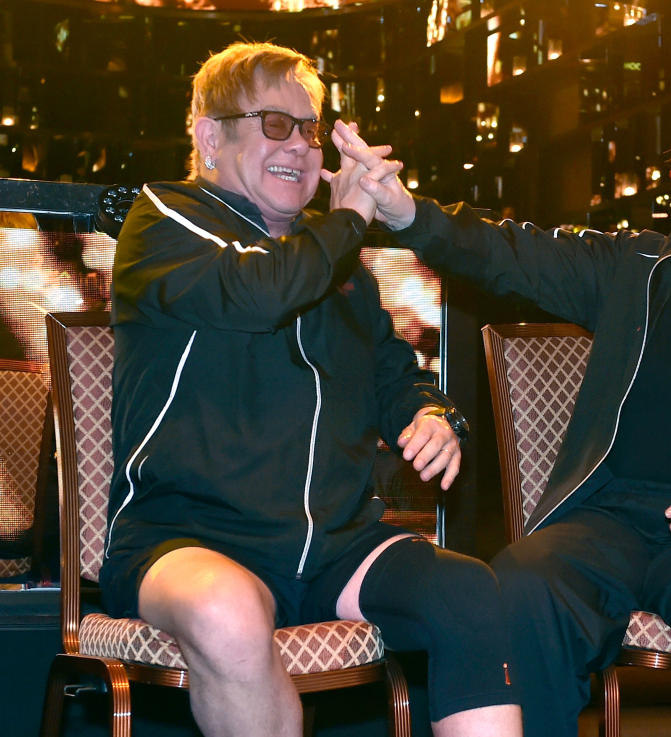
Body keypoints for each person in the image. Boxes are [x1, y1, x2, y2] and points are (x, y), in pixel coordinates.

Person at [332, 97, 671, 737]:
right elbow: (509, 251)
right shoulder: (633, 270)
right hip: (611, 519)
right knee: (522, 582)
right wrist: (408, 213)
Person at [102, 41, 520, 737]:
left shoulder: (339, 270)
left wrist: (436, 417)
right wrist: (348, 219)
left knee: (469, 590)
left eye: (310, 129)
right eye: (275, 124)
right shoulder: (165, 221)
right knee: (226, 611)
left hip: (332, 544)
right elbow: (257, 293)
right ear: (211, 135)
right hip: (190, 539)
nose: (300, 144)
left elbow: (397, 376)